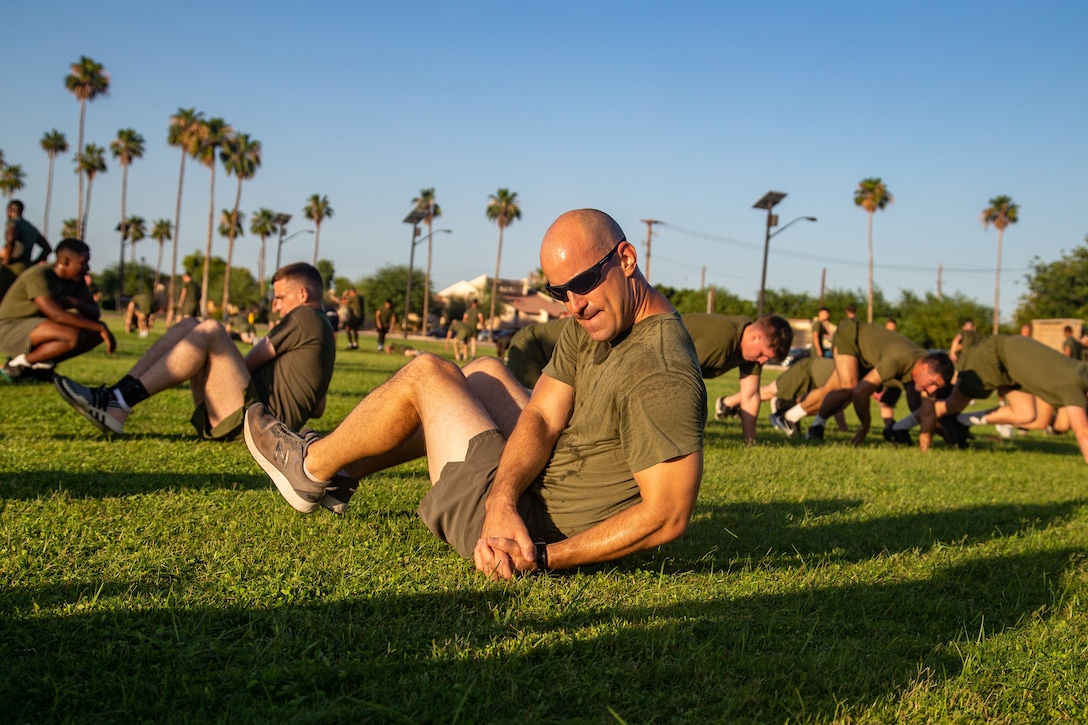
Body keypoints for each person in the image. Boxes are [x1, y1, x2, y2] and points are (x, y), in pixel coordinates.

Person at [243, 209, 706, 580]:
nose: (575, 305)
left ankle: (310, 468)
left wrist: (540, 555)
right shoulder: (595, 320)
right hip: (518, 498)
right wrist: (501, 498)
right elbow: (543, 416)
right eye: (558, 291)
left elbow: (667, 514)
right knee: (484, 371)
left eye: (584, 283)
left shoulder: (660, 370)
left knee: (428, 374)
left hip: (528, 529)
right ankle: (343, 472)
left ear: (626, 259)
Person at [54, 263, 335, 439]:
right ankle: (115, 396)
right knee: (190, 323)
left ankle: (118, 400)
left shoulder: (304, 317)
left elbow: (251, 361)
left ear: (302, 295)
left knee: (210, 330)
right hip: (256, 422)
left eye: (280, 298)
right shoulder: (323, 331)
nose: (275, 306)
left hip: (258, 427)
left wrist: (221, 360)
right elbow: (319, 409)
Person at [917, 334, 1088, 463]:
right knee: (952, 405)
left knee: (1026, 415)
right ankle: (901, 427)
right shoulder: (1073, 386)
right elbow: (1083, 434)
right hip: (993, 355)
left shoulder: (1082, 372)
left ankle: (960, 421)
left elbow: (1066, 425)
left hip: (1011, 369)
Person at [803, 317, 953, 443]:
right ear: (924, 368)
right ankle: (816, 426)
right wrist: (865, 425)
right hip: (851, 336)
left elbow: (927, 414)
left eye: (937, 387)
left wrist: (942, 441)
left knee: (917, 406)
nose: (932, 390)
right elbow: (860, 393)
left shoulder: (929, 366)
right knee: (848, 388)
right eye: (933, 383)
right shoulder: (897, 360)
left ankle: (789, 415)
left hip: (871, 357)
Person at [0, 238, 114, 382]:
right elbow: (56, 315)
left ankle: (40, 367)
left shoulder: (76, 280)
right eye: (83, 262)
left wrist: (74, 302)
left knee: (94, 335)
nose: (88, 267)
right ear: (65, 261)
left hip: (38, 328)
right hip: (8, 330)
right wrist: (101, 326)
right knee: (74, 335)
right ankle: (16, 366)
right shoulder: (39, 275)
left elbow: (94, 313)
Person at [687, 313, 793, 444]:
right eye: (762, 354)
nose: (762, 361)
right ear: (755, 337)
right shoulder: (721, 340)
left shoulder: (750, 349)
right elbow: (677, 374)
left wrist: (750, 442)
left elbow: (751, 396)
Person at [716, 355, 851, 434]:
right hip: (805, 368)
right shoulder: (851, 377)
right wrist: (844, 430)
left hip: (813, 373)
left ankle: (784, 411)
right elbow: (835, 400)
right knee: (770, 391)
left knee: (772, 391)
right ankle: (726, 402)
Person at [1, 200, 53, 304]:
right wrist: (33, 263)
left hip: (12, 265)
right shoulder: (31, 227)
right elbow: (48, 249)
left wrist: (6, 259)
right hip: (26, 266)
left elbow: (10, 238)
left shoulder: (13, 222)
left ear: (10, 210)